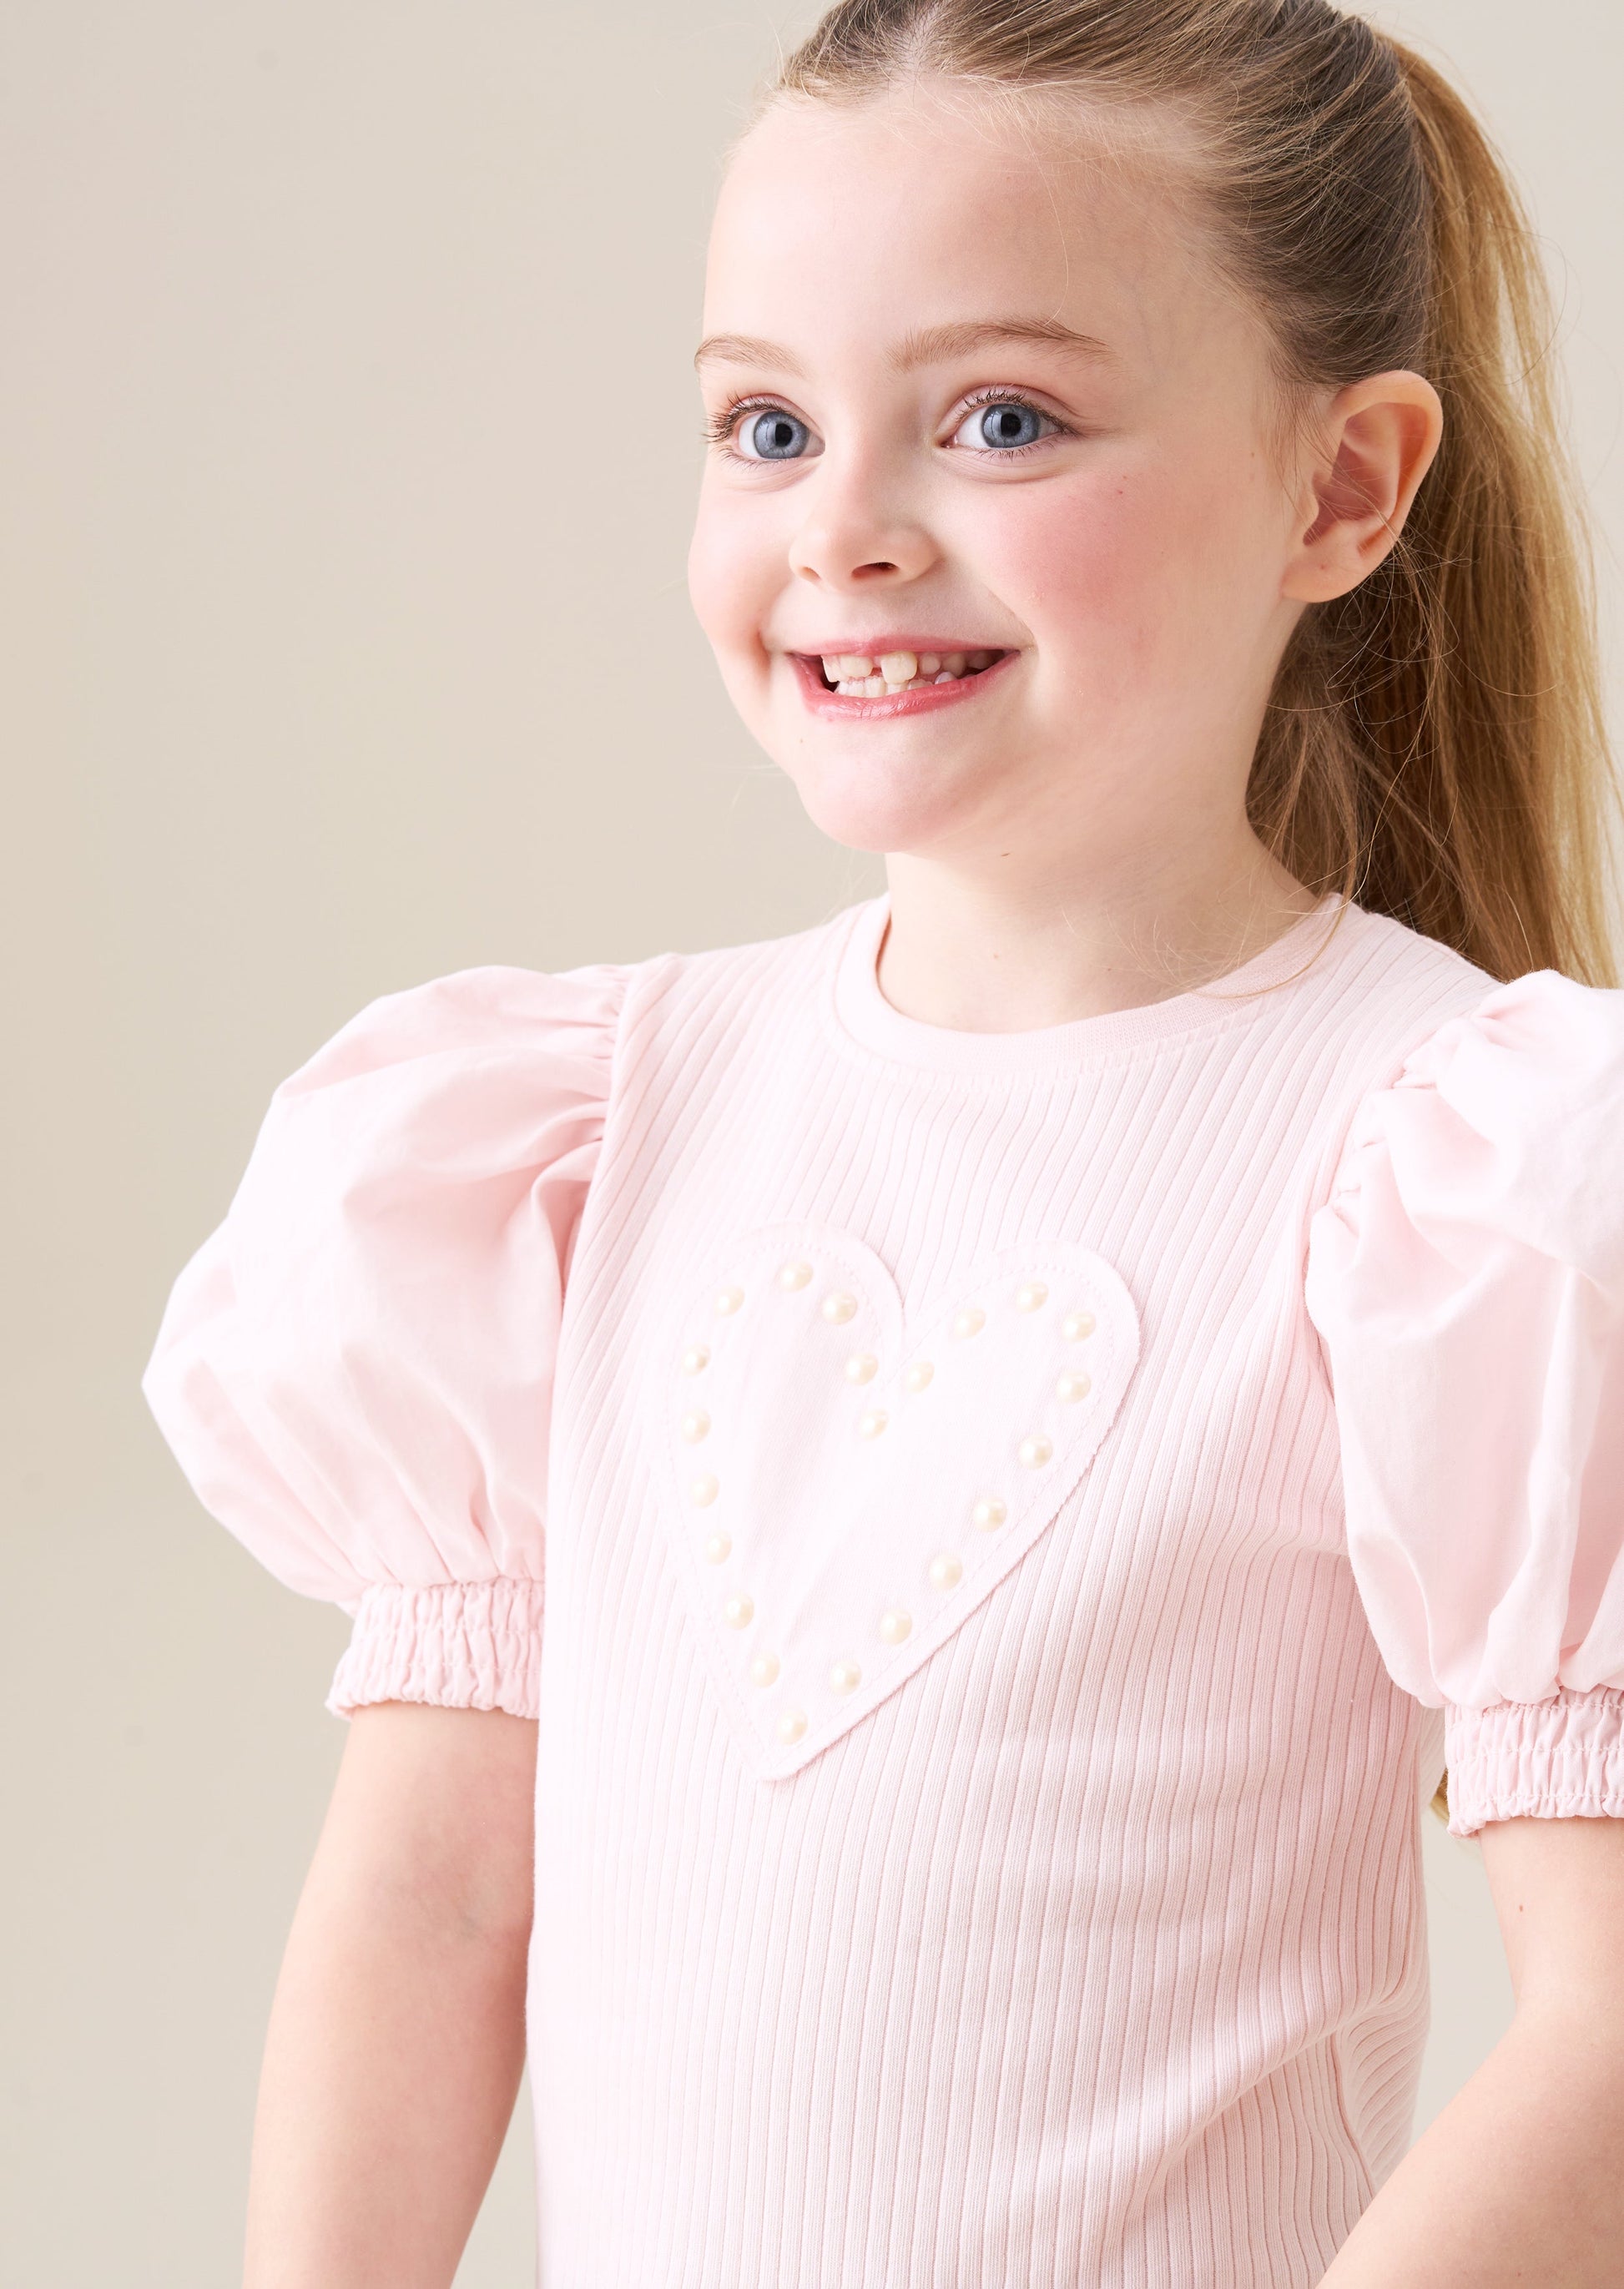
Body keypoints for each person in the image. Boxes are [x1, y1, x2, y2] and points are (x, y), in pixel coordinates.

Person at [142, 3, 1624, 2282]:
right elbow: (433, 1905)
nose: (839, 529)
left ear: (1342, 486)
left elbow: (1604, 2031)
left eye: (1002, 419)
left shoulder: (1455, 1181)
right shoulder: (575, 1145)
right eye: (766, 425)